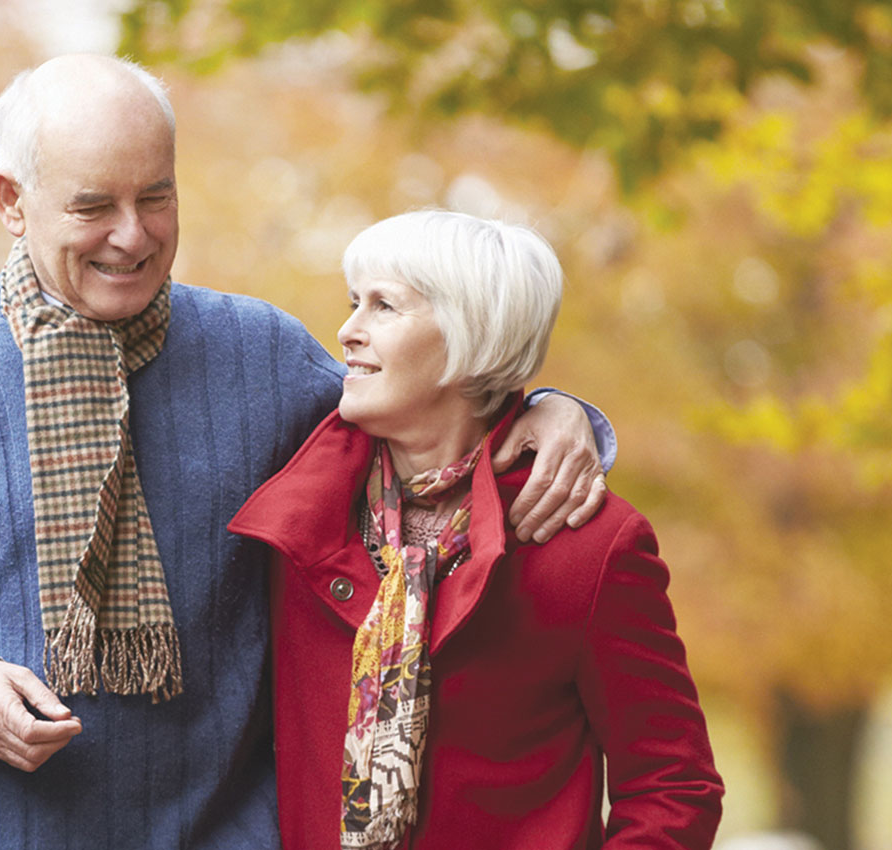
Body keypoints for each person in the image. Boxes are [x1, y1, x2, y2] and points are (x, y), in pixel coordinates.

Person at [0, 56, 614, 849]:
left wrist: (550, 407)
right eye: (91, 207)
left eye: (157, 197)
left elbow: (433, 416)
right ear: (11, 200)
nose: (132, 236)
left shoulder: (263, 357)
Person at [229, 211, 722, 849]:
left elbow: (672, 785)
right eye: (355, 302)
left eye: (384, 307)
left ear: (471, 337)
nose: (348, 331)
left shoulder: (590, 545)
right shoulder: (294, 506)